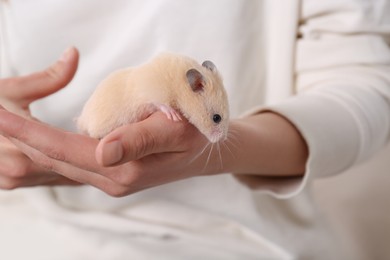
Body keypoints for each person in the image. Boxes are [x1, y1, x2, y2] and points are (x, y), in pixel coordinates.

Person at [0, 0, 389, 259]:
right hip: (33, 223)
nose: (218, 129)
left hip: (240, 236)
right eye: (217, 121)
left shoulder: (186, 84)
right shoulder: (166, 84)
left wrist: (211, 154)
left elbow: (367, 86)